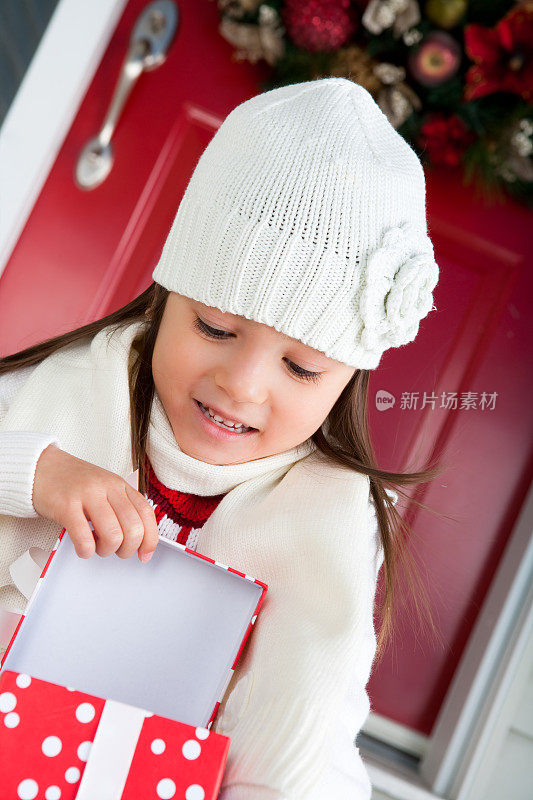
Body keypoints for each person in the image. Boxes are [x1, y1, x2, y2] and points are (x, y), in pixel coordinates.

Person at [0, 78, 442, 799]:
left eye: (301, 366)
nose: (241, 385)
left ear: (345, 380)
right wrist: (39, 472)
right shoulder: (78, 386)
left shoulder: (327, 515)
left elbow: (305, 714)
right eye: (214, 328)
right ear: (166, 298)